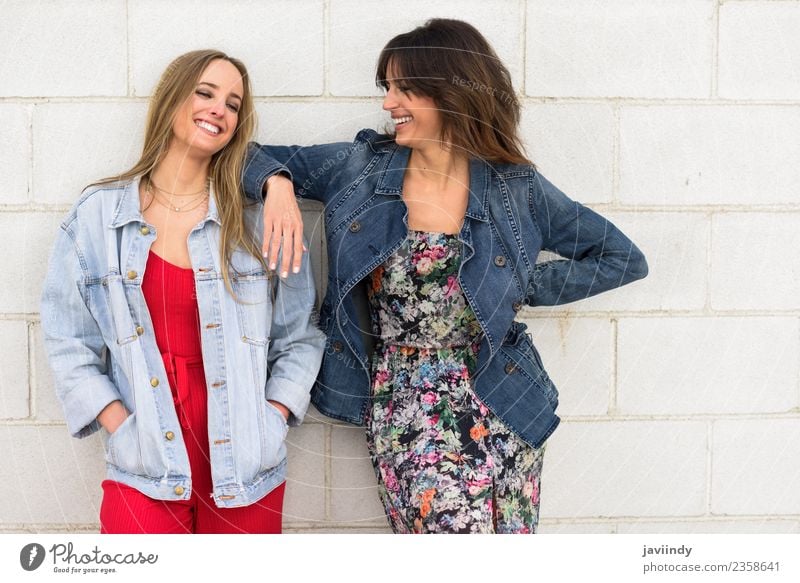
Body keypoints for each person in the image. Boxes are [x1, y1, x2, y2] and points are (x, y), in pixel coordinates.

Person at [245, 19, 649, 533]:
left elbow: (621, 258)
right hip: (409, 406)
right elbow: (242, 155)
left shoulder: (514, 187)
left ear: (451, 91)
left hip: (503, 398)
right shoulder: (359, 168)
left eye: (404, 89)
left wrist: (524, 286)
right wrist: (277, 183)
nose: (389, 103)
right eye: (386, 88)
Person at [40, 49, 325, 534]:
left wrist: (272, 417)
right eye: (206, 93)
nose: (220, 109)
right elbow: (69, 341)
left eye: (233, 104)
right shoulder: (98, 217)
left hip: (246, 468)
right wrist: (120, 426)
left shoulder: (262, 222)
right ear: (172, 100)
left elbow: (300, 335)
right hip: (145, 461)